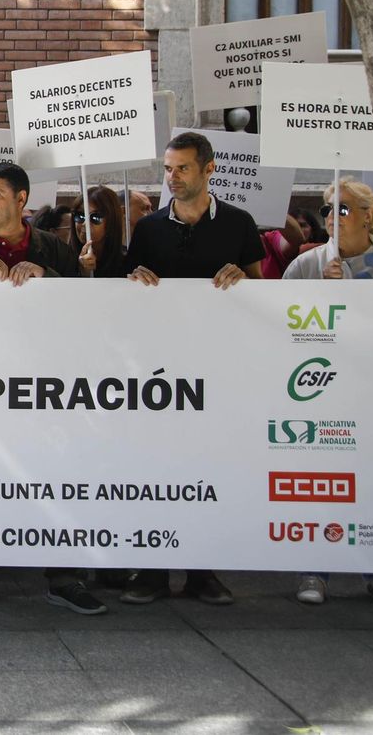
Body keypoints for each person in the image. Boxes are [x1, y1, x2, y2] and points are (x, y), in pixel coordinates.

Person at [0, 167, 104, 614]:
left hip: (46, 385)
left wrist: (47, 273)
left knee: (57, 475)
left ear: (22, 199)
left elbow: (83, 309)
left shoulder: (53, 247)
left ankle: (63, 576)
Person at [121, 131, 265, 607]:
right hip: (158, 372)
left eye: (182, 168)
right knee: (156, 464)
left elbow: (261, 290)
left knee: (205, 467)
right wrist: (132, 279)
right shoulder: (148, 228)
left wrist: (245, 278)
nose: (172, 177)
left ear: (209, 169)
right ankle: (153, 571)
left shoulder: (241, 224)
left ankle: (202, 571)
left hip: (217, 366)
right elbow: (124, 292)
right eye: (167, 168)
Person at [280, 179, 373, 608]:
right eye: (329, 209)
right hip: (318, 394)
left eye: (344, 209)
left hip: (372, 392)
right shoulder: (307, 265)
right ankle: (314, 570)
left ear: (369, 215)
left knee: (372, 482)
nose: (334, 216)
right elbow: (278, 323)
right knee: (321, 483)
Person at [68, 186, 127, 278]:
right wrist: (81, 273)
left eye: (96, 217)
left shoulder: (127, 262)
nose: (85, 223)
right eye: (80, 215)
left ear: (112, 222)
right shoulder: (62, 258)